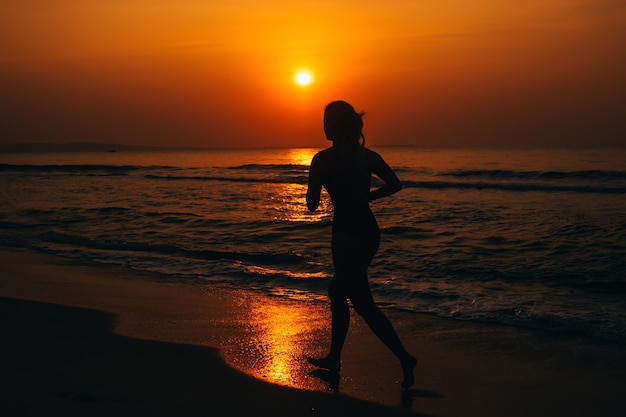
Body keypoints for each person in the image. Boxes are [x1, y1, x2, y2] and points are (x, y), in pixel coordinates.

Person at [306, 100, 417, 389]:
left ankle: (405, 358)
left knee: (362, 302)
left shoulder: (322, 160)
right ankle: (334, 358)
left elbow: (312, 206)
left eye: (326, 120)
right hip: (368, 231)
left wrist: (315, 182)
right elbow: (395, 184)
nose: (323, 125)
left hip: (345, 234)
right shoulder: (367, 156)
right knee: (338, 292)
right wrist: (369, 198)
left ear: (336, 125)